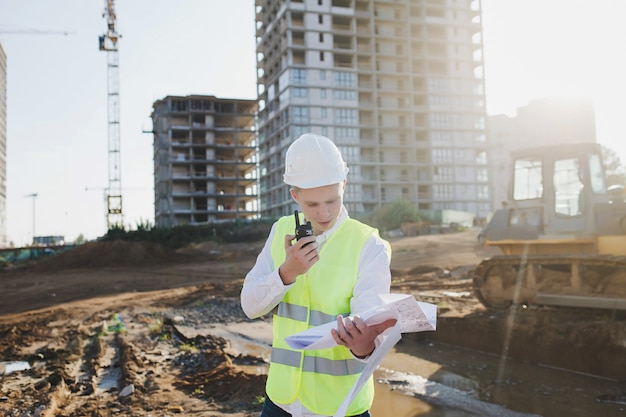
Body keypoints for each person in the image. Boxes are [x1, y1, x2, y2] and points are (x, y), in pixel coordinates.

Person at [241, 133, 397, 417]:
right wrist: (286, 273)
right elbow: (250, 306)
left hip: (340, 407)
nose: (324, 213)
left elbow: (372, 342)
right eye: (312, 204)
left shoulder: (367, 245)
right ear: (295, 195)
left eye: (332, 200)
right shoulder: (280, 231)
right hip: (281, 402)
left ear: (344, 186)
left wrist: (363, 345)